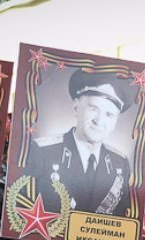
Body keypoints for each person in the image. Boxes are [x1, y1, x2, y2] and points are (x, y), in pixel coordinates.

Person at [25, 70, 135, 217]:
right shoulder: (40, 152)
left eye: (109, 115)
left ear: (115, 121)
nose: (99, 121)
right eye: (93, 109)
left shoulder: (120, 163)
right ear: (76, 107)